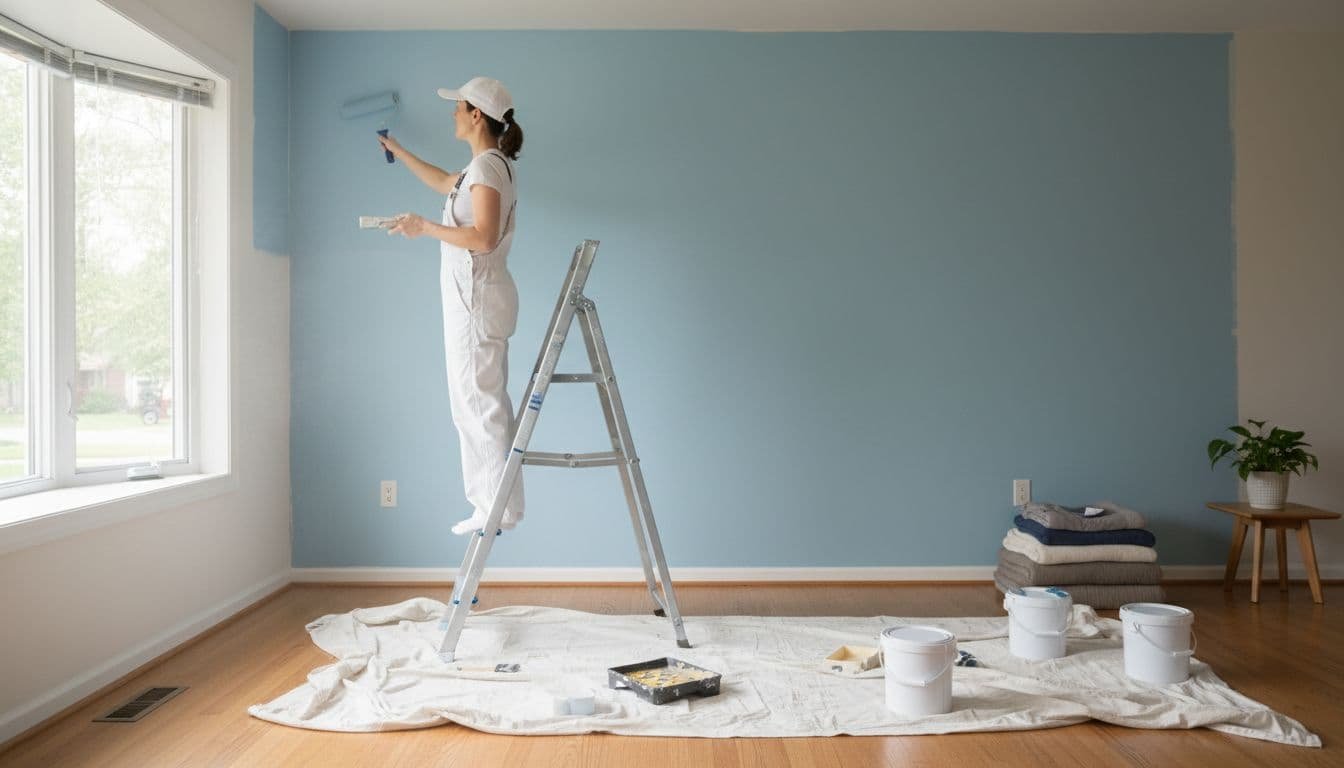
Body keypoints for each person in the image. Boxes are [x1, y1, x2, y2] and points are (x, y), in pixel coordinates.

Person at [378, 76, 526, 536]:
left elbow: (483, 237)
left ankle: (493, 509)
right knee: (481, 403)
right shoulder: (482, 168)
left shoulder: (486, 170)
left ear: (476, 115)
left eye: (458, 107)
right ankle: (499, 505)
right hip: (479, 299)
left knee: (476, 406)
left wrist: (425, 228)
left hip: (476, 302)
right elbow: (444, 181)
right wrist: (398, 150)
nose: (452, 113)